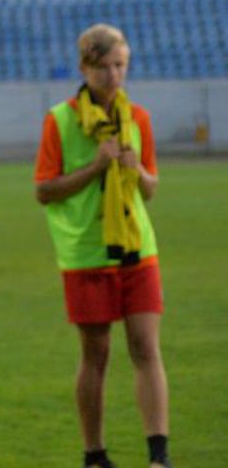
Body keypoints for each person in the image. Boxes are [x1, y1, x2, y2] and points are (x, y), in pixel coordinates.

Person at [34, 24, 170, 468]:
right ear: (85, 68)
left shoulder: (139, 119)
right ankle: (94, 453)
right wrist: (96, 166)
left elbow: (150, 188)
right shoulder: (60, 120)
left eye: (121, 66)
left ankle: (158, 454)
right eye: (105, 67)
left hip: (136, 247)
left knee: (146, 348)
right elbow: (44, 190)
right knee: (97, 354)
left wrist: (139, 171)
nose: (114, 76)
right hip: (86, 252)